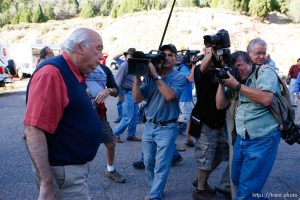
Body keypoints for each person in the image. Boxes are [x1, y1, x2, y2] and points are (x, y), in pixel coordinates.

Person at [23, 28, 104, 200]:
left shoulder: (73, 72)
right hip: (61, 174)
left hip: (69, 171)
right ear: (80, 47)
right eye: (98, 49)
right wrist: (46, 183)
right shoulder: (52, 74)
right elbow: (33, 129)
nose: (101, 56)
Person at [216, 50, 281, 199]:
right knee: (237, 179)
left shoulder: (264, 73)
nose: (237, 70)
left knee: (247, 190)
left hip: (262, 138)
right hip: (242, 137)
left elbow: (266, 99)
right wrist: (221, 83)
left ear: (250, 63)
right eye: (234, 67)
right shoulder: (234, 80)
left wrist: (237, 85)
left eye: (240, 65)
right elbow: (220, 105)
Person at [132, 44, 186, 200]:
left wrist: (156, 76)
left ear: (176, 59)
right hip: (150, 126)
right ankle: (155, 189)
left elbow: (169, 96)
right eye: (164, 55)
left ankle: (155, 195)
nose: (167, 58)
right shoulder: (150, 76)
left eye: (171, 55)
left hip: (167, 127)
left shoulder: (179, 77)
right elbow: (136, 98)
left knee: (161, 165)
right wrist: (137, 77)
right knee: (148, 162)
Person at [191, 46, 230, 200]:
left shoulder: (221, 71)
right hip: (205, 123)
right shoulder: (200, 71)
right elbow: (202, 67)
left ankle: (201, 178)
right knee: (206, 157)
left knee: (220, 154)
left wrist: (222, 60)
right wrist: (210, 51)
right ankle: (200, 190)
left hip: (219, 122)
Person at [86, 63, 126, 183]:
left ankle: (110, 169)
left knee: (111, 143)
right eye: (95, 49)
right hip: (77, 114)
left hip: (99, 114)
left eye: (100, 50)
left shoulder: (104, 70)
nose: (98, 54)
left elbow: (116, 90)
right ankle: (71, 176)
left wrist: (108, 90)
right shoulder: (77, 65)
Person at [114, 48, 141, 143]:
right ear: (126, 56)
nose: (132, 57)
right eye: (130, 55)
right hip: (127, 92)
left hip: (133, 93)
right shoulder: (124, 65)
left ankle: (131, 135)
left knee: (135, 116)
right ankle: (115, 134)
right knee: (128, 116)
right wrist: (120, 94)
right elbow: (117, 81)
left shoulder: (135, 66)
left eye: (133, 55)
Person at [112, 51, 126, 123]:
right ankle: (120, 117)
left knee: (129, 104)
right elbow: (114, 58)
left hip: (130, 87)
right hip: (121, 86)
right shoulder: (123, 62)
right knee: (120, 102)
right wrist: (123, 53)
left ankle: (126, 118)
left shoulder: (134, 64)